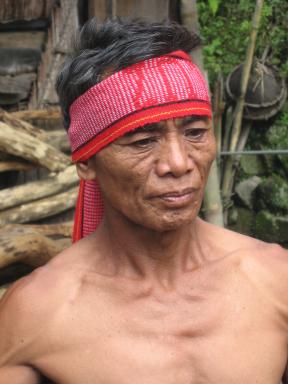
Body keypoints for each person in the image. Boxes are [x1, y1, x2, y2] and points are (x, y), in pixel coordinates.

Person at [0, 18, 287, 384]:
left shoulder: (275, 280)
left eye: (196, 133)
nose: (179, 163)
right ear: (86, 161)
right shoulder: (37, 314)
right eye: (142, 142)